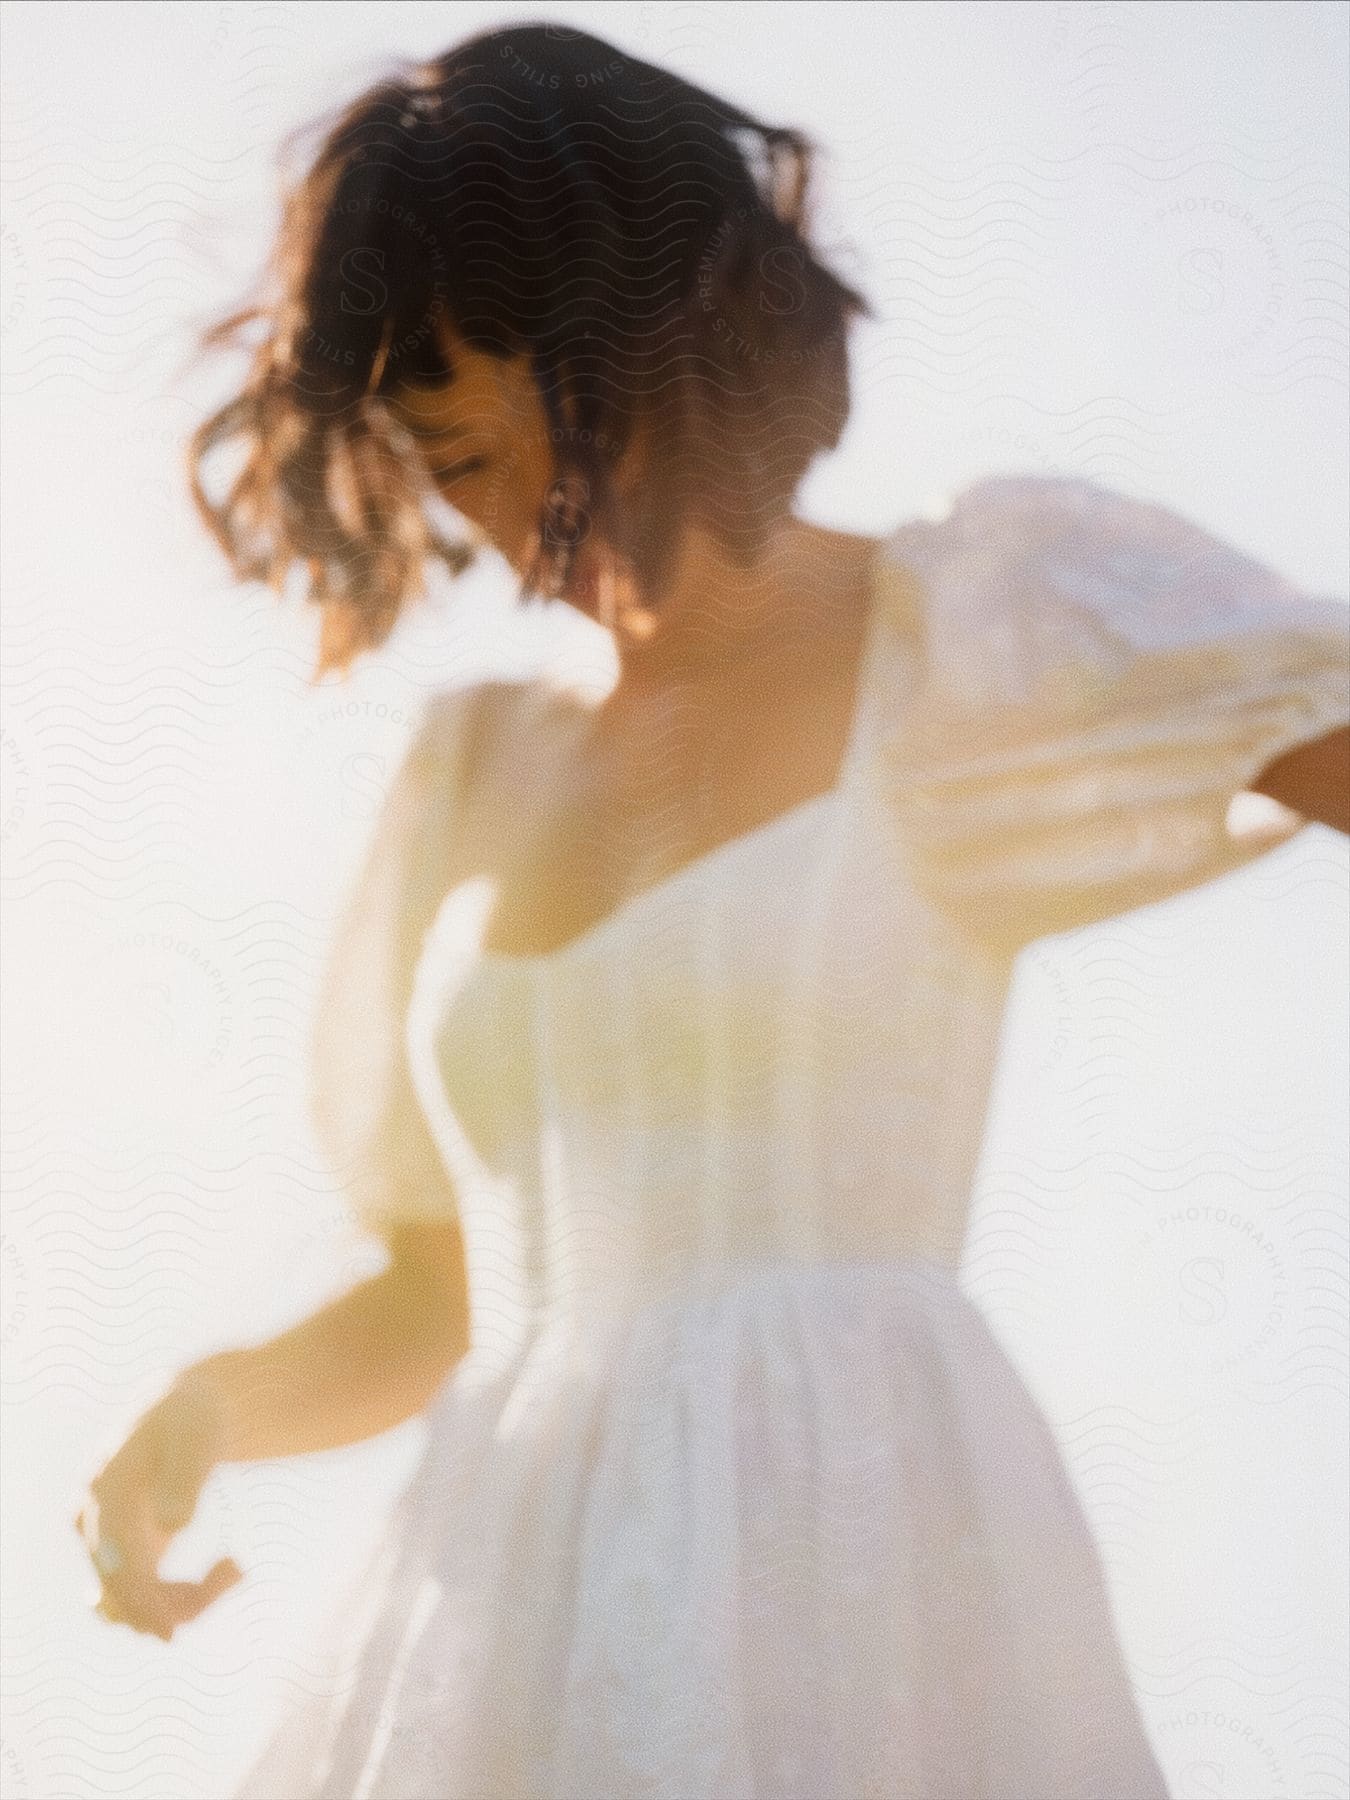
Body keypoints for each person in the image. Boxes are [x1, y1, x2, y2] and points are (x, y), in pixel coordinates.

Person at [72, 23, 1350, 1799]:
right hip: (495, 1617)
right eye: (446, 467)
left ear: (642, 350)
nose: (501, 521)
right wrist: (210, 1407)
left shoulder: (970, 630)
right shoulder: (465, 775)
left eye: (510, 438)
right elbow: (437, 1296)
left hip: (862, 1564)